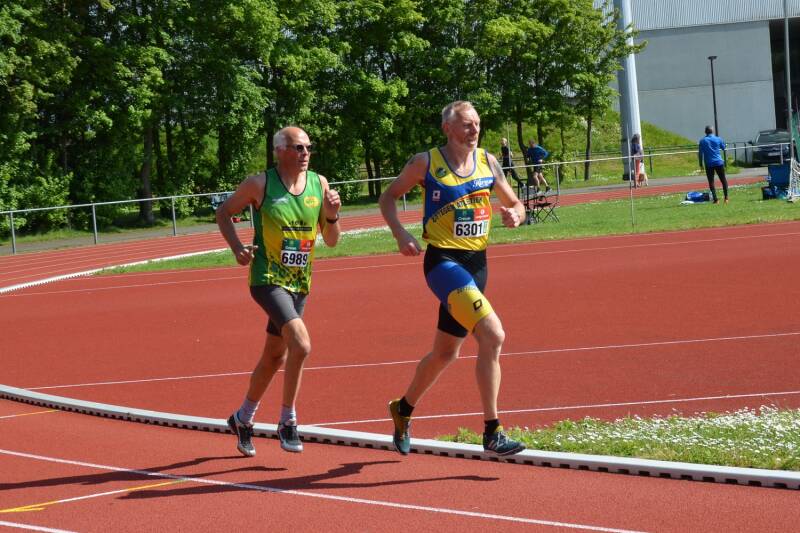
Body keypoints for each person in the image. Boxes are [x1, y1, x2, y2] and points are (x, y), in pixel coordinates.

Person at [378, 101, 527, 457]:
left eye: (477, 124)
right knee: (493, 334)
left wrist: (516, 215)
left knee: (445, 353)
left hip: (478, 264)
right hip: (443, 262)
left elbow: (515, 202)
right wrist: (400, 233)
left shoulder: (488, 162)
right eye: (466, 125)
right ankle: (492, 430)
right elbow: (388, 197)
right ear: (447, 128)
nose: (474, 130)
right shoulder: (425, 162)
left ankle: (403, 409)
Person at [216, 126, 341, 457]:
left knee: (275, 356)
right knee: (301, 344)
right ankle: (288, 420)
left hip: (301, 283)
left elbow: (331, 240)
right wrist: (238, 248)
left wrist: (332, 215)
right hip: (267, 278)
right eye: (299, 148)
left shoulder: (320, 183)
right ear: (280, 150)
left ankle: (243, 418)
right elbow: (224, 212)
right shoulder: (260, 183)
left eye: (308, 148)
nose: (305, 153)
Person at [698, 125, 729, 204]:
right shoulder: (718, 139)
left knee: (711, 182)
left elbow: (700, 154)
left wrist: (701, 164)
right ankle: (726, 198)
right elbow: (723, 147)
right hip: (719, 162)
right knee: (723, 180)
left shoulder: (702, 141)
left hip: (709, 164)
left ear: (705, 132)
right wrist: (725, 145)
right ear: (713, 131)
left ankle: (716, 200)